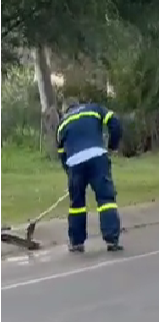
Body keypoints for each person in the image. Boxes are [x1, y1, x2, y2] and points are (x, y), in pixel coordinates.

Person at [57, 98, 123, 252]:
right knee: (106, 199)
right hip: (97, 158)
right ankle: (111, 240)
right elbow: (115, 122)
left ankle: (77, 243)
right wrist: (112, 145)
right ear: (79, 105)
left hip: (75, 163)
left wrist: (71, 175)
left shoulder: (62, 124)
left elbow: (62, 154)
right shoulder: (94, 108)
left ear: (66, 109)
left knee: (77, 205)